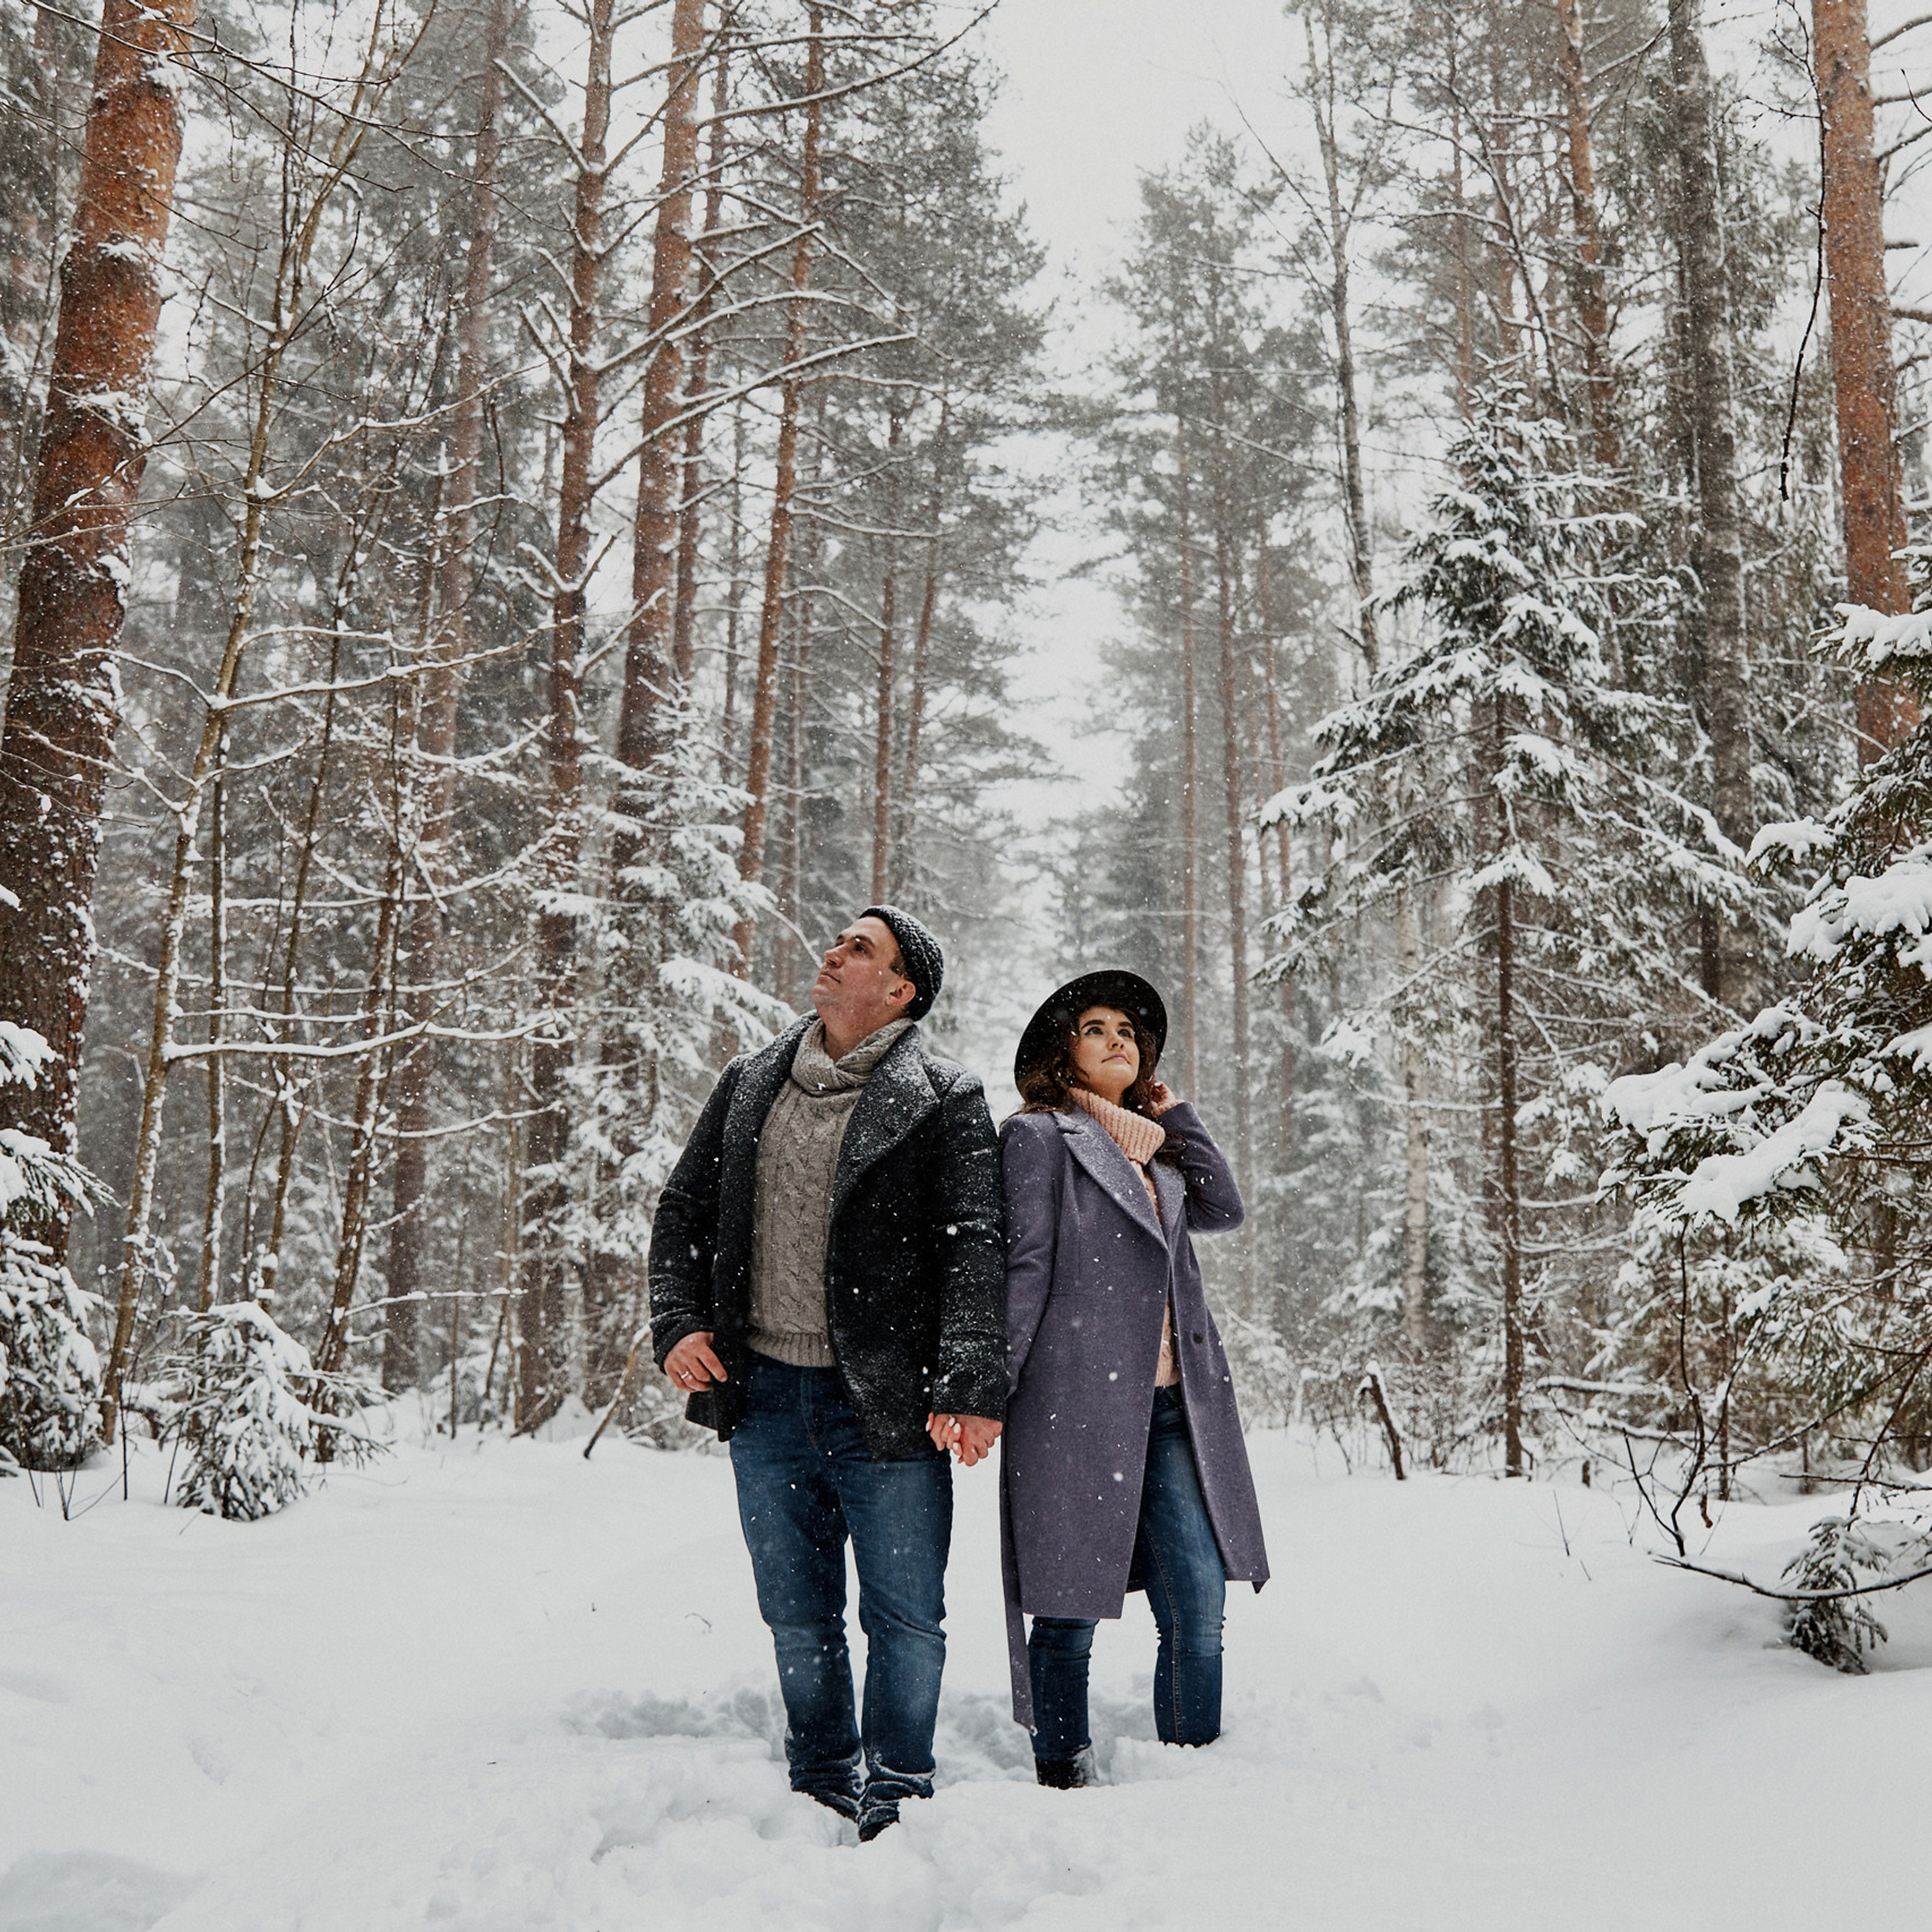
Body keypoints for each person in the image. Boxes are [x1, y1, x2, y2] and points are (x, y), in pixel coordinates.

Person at [648, 907, 1005, 1841]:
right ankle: (817, 1781)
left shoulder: (945, 1096)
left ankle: (898, 1789)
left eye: (860, 948)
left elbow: (976, 1251)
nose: (833, 951)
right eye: (840, 939)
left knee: (905, 1618)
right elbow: (682, 1208)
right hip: (763, 1396)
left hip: (887, 1406)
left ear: (899, 992)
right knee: (797, 1616)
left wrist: (967, 1385)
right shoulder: (751, 1079)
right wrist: (678, 1323)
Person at [998, 970, 1268, 1787]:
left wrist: (1174, 1112)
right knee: (1069, 1602)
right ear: (1063, 1054)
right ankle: (1062, 1774)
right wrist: (984, 1394)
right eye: (1095, 1028)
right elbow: (1024, 1268)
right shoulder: (1039, 1136)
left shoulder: (1161, 1153)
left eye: (1128, 1029)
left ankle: (1188, 1776)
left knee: (1198, 1604)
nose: (1117, 1037)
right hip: (1073, 1406)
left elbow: (1226, 1209)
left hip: (1174, 1405)